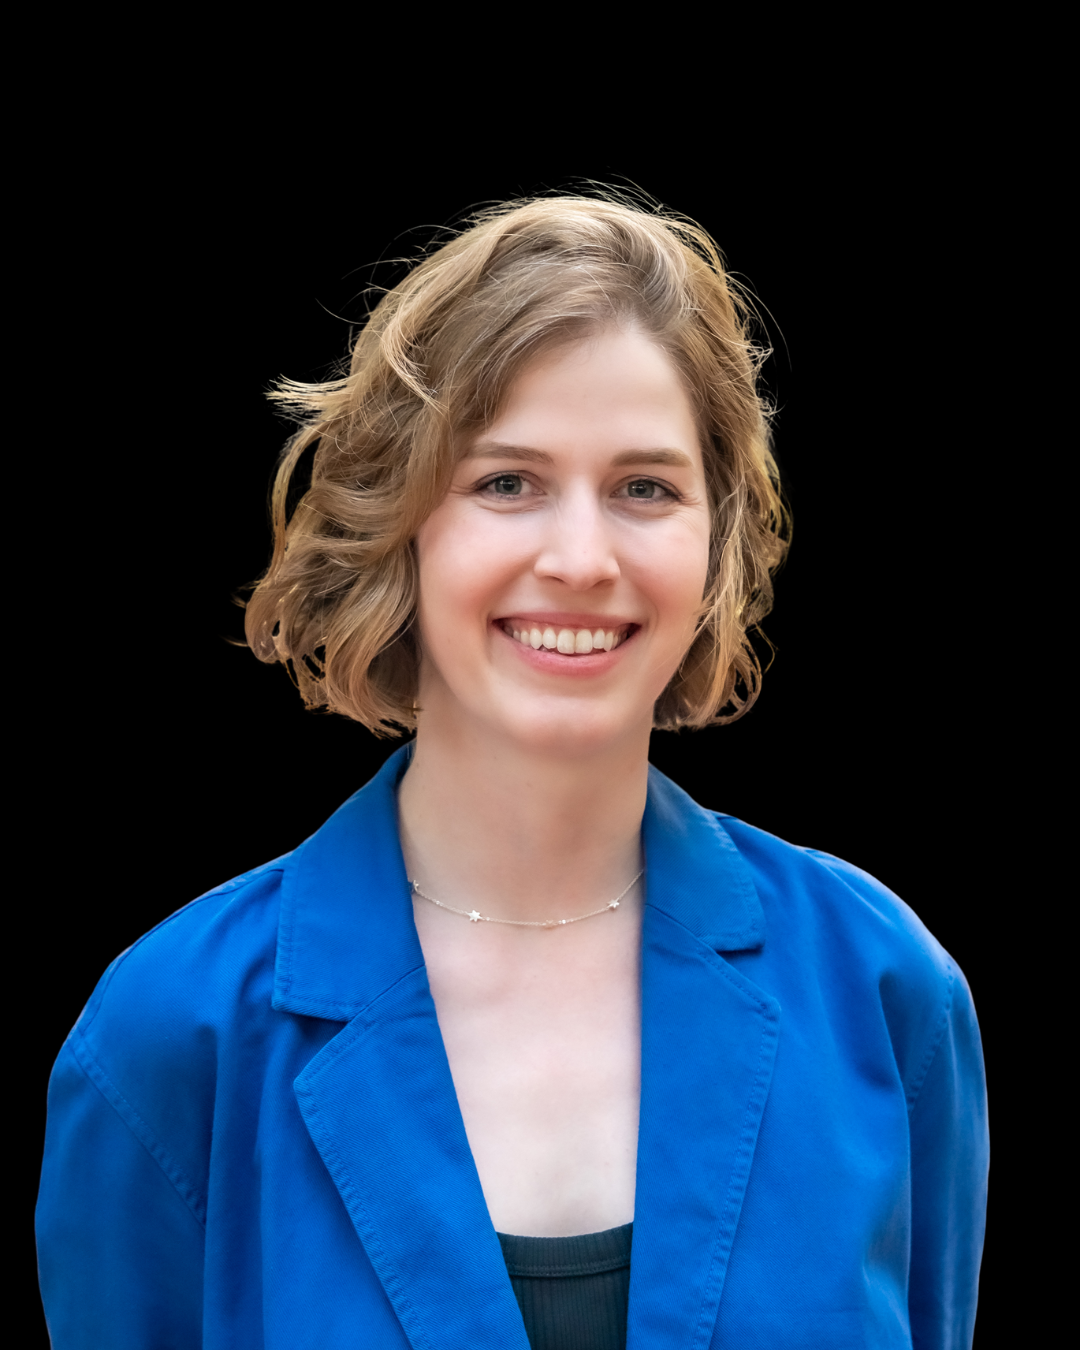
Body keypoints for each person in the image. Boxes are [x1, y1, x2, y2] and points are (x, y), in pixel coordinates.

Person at [36, 193, 988, 1349]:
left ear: (716, 540)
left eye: (646, 487)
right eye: (506, 483)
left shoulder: (884, 992)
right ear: (402, 528)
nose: (581, 559)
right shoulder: (171, 1035)